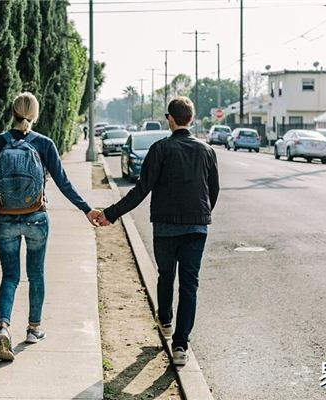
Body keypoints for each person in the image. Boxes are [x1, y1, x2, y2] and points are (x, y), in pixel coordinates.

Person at [97, 96, 219, 366]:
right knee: (190, 285)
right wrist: (201, 214)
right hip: (197, 227)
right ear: (192, 118)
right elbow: (214, 191)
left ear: (169, 119)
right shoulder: (207, 151)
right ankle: (180, 346)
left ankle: (165, 321)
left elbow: (141, 190)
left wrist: (110, 214)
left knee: (166, 276)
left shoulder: (160, 149)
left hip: (165, 227)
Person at [0, 92, 101, 361]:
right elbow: (63, 182)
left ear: (12, 112)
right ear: (35, 115)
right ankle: (34, 328)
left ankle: (3, 328)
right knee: (36, 274)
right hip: (36, 217)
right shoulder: (44, 144)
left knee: (10, 276)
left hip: (6, 218)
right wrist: (86, 209)